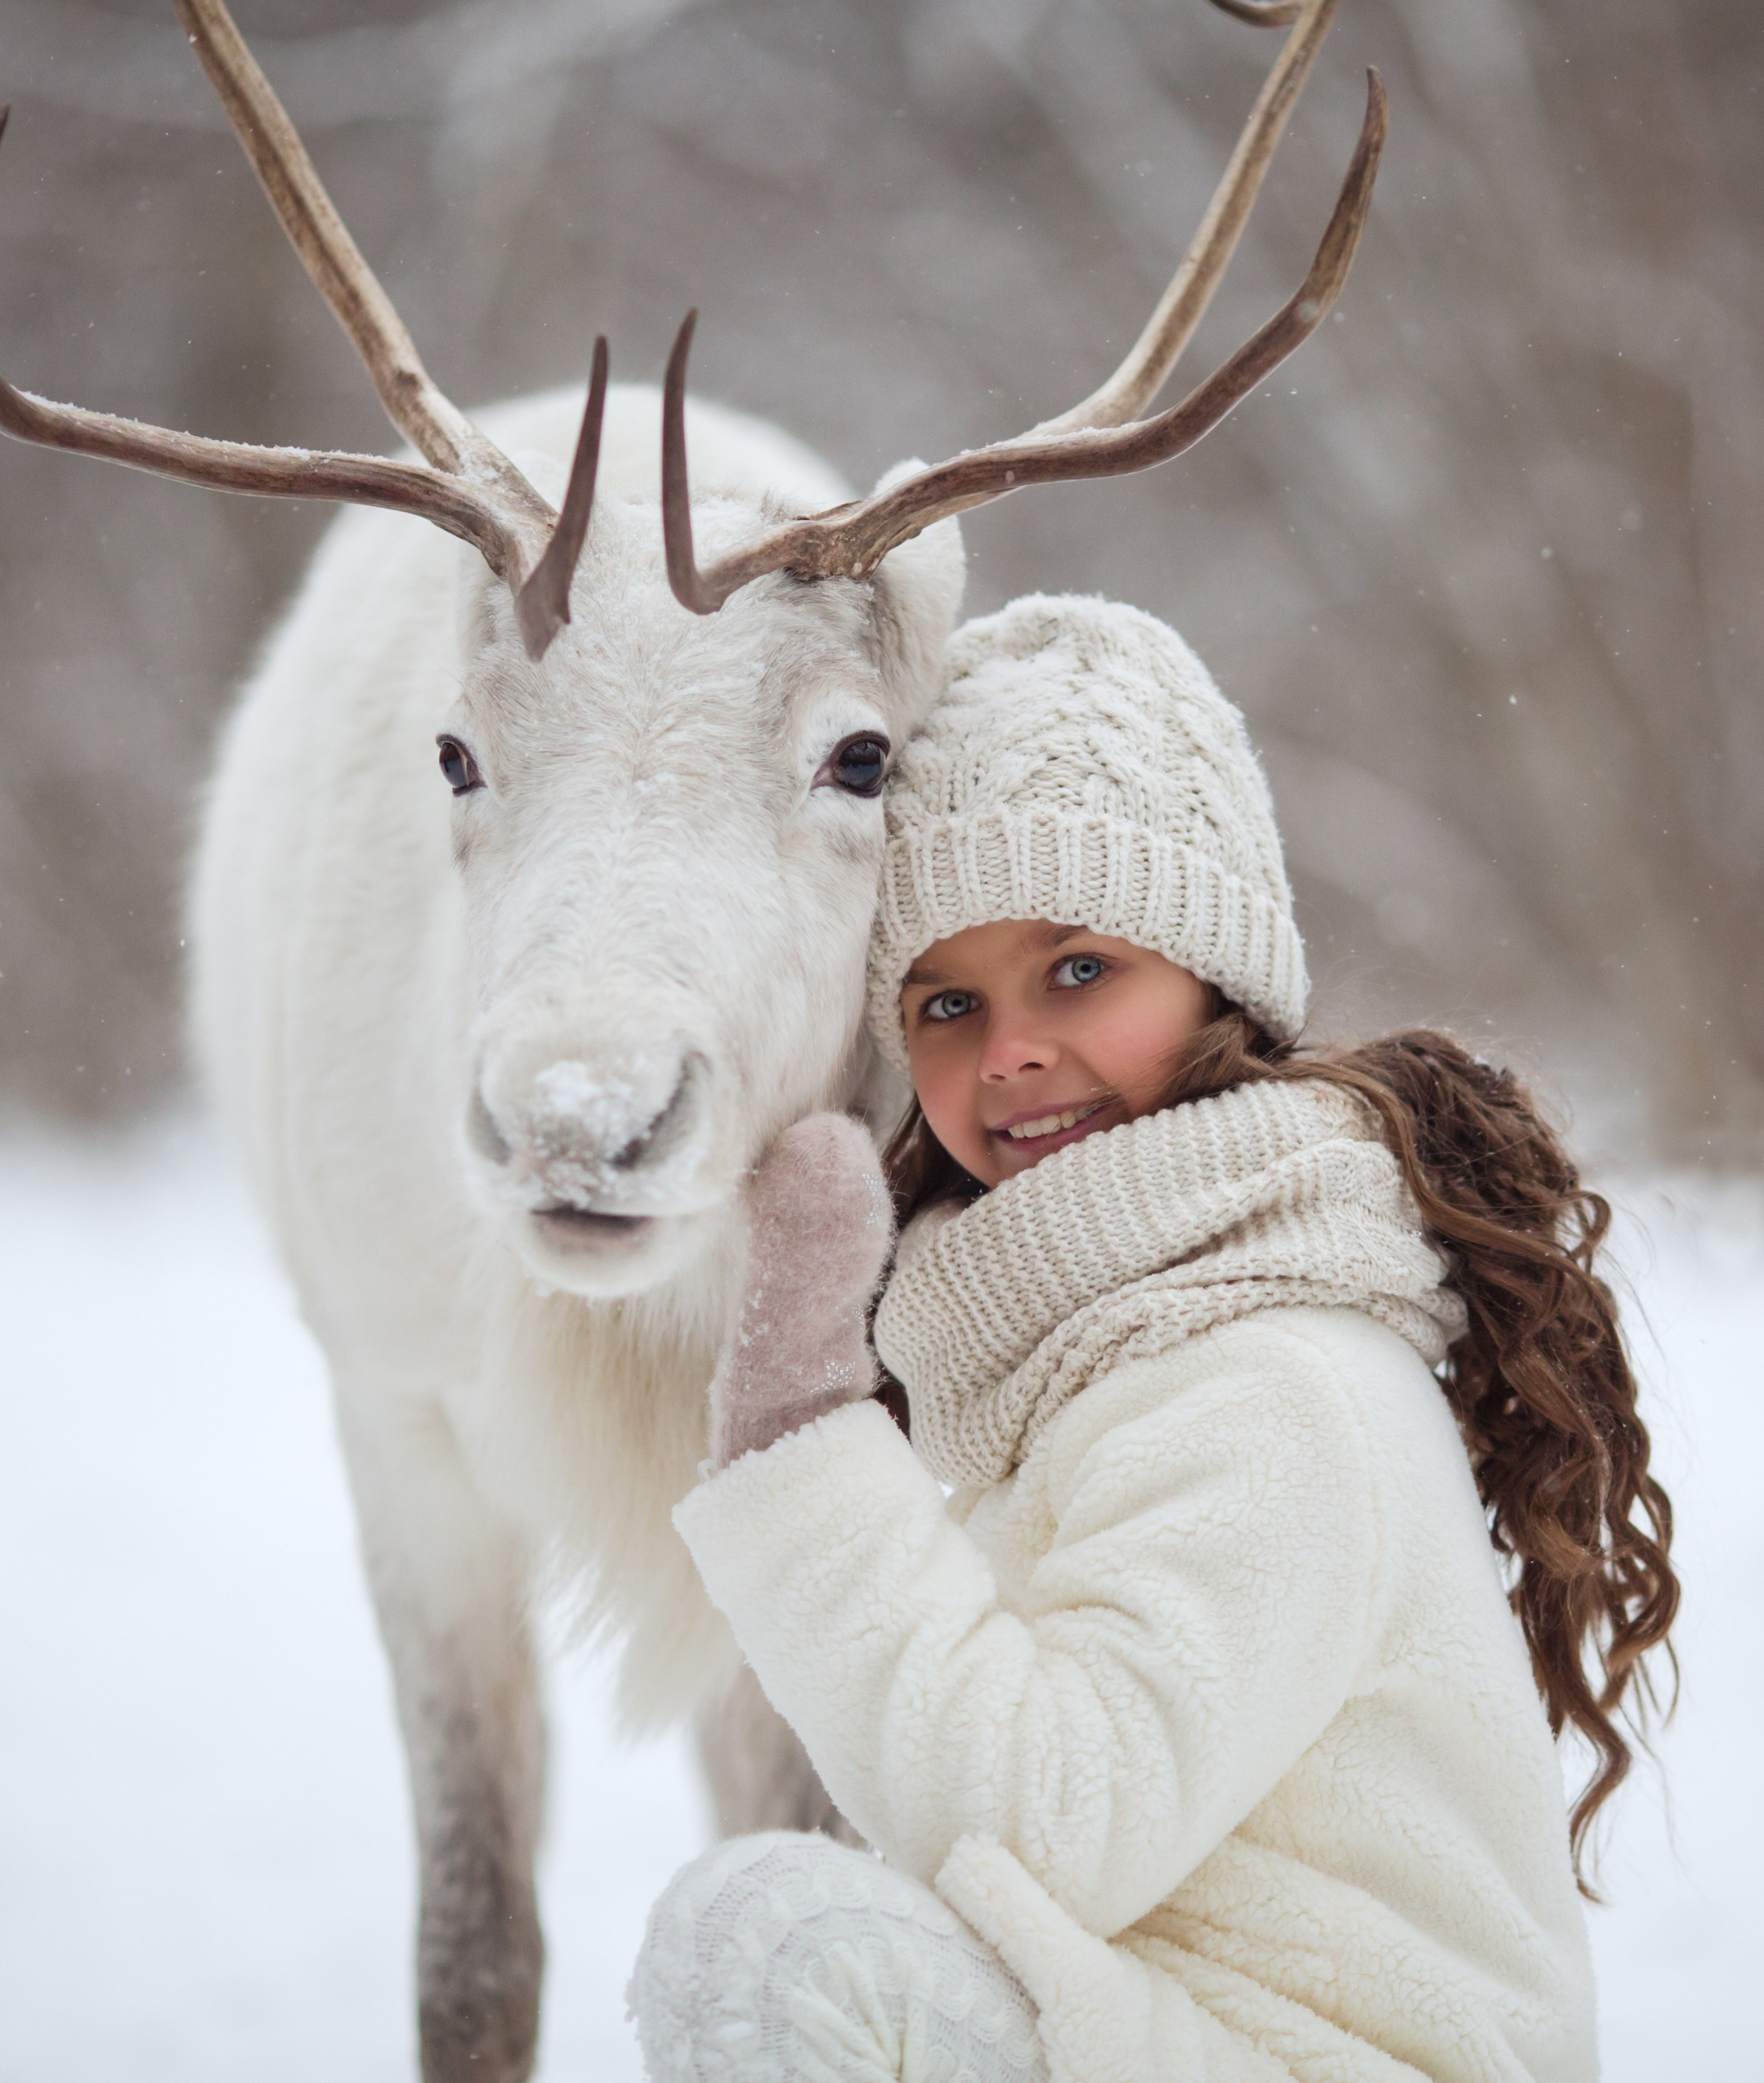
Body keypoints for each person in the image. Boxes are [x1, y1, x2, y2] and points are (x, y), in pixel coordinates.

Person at [625, 594, 1677, 2082]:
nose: (1010, 1054)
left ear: (1216, 974)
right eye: (944, 1002)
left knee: (779, 1942)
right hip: (1184, 2038)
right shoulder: (1104, 1338)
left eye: (1077, 970)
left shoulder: (1271, 1374)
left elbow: (1052, 1828)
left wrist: (799, 1436)